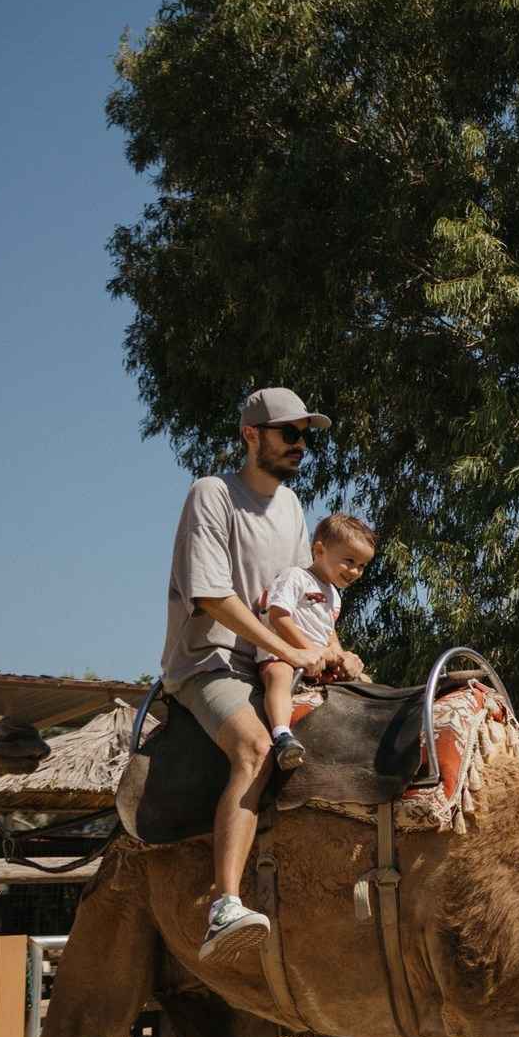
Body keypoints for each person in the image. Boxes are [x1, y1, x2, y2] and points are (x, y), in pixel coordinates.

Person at [160, 387, 352, 962]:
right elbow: (212, 596)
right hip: (210, 662)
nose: (302, 445)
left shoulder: (291, 507)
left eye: (306, 436)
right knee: (256, 748)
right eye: (289, 433)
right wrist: (291, 652)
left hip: (274, 662)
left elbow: (302, 598)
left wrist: (335, 649)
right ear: (251, 435)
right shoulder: (212, 494)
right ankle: (224, 906)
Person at [254, 512, 377, 771]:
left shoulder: (334, 595)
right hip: (286, 656)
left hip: (318, 663)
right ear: (320, 550)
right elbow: (278, 616)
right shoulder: (295, 577)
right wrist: (308, 651)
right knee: (279, 675)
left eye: (362, 565)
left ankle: (374, 735)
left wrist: (341, 657)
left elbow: (329, 633)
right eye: (349, 561)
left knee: (366, 682)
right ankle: (282, 735)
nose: (355, 571)